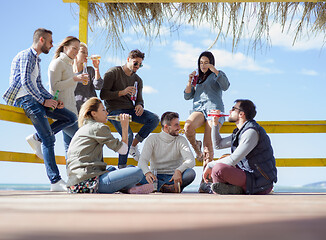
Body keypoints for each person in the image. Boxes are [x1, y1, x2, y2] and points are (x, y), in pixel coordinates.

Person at [2, 28, 77, 191]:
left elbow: (39, 85)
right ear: (41, 40)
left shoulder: (36, 60)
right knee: (49, 139)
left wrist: (53, 101)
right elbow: (26, 83)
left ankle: (36, 138)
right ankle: (55, 181)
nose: (52, 45)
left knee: (70, 118)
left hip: (36, 99)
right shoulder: (26, 55)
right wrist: (44, 100)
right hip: (26, 99)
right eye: (50, 41)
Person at [66, 97, 154, 194]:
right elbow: (123, 150)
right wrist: (124, 127)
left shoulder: (84, 128)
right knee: (137, 172)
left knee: (114, 169)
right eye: (103, 110)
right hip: (89, 184)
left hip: (74, 184)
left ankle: (129, 189)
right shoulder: (98, 127)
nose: (106, 113)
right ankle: (130, 188)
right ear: (93, 113)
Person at [202, 99, 277, 195]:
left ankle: (224, 189)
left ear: (241, 114)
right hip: (248, 175)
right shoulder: (239, 132)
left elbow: (232, 160)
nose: (230, 111)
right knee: (221, 162)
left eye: (233, 109)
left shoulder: (251, 132)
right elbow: (218, 144)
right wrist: (215, 124)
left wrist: (209, 165)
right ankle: (234, 189)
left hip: (260, 181)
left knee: (218, 169)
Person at [100, 49, 159, 169]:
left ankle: (133, 146)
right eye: (135, 63)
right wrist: (122, 92)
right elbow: (103, 95)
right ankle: (122, 167)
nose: (137, 66)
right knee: (128, 134)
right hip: (114, 110)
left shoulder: (138, 80)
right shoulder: (113, 72)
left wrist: (139, 105)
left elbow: (139, 99)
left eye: (140, 64)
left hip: (130, 110)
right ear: (128, 60)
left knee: (154, 119)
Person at [184, 51, 230, 168]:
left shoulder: (217, 74)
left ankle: (205, 179)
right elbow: (187, 96)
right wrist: (189, 82)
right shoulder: (197, 78)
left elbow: (225, 86)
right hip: (199, 110)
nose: (203, 65)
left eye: (206, 63)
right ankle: (196, 148)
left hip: (213, 110)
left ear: (211, 63)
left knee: (208, 144)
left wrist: (214, 70)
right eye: (201, 63)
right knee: (187, 128)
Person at [48, 36, 88, 155]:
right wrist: (75, 79)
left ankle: (71, 173)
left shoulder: (69, 66)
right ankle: (38, 137)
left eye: (78, 49)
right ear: (65, 48)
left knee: (69, 148)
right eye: (74, 48)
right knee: (84, 140)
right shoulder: (57, 63)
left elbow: (69, 91)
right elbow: (55, 86)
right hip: (62, 111)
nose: (76, 52)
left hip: (72, 111)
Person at [138, 112, 196, 193]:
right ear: (166, 127)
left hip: (174, 177)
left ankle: (158, 187)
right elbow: (142, 161)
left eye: (178, 124)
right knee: (134, 172)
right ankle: (167, 188)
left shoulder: (181, 140)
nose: (179, 128)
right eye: (176, 125)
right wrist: (147, 173)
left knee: (190, 173)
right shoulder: (152, 139)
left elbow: (191, 160)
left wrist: (178, 171)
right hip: (155, 177)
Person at [73, 42, 104, 112]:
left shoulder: (89, 70)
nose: (86, 55)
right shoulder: (69, 73)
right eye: (83, 52)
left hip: (91, 109)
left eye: (87, 53)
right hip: (76, 111)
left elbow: (98, 86)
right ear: (75, 54)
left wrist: (96, 68)